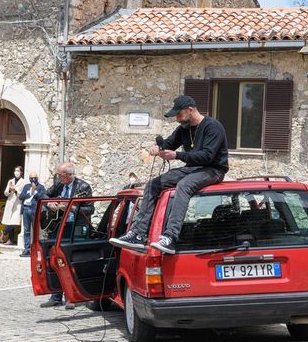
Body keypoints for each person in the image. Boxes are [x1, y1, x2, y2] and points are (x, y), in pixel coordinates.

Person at [111, 94, 229, 255]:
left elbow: (207, 156)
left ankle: (170, 237)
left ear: (190, 110)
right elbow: (168, 143)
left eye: (179, 115)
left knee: (184, 185)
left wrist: (177, 155)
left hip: (214, 170)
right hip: (193, 169)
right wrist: (157, 148)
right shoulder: (184, 129)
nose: (177, 119)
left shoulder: (213, 127)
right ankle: (138, 234)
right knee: (154, 184)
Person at [41, 163, 92, 307]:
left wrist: (71, 207)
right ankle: (56, 297)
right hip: (57, 226)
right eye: (58, 175)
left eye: (60, 175)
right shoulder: (59, 184)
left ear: (69, 175)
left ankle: (72, 297)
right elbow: (43, 195)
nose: (58, 177)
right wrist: (50, 203)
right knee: (54, 260)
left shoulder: (83, 187)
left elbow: (90, 209)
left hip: (73, 227)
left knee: (69, 262)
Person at [18, 173, 46, 257]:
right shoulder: (26, 186)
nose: (33, 179)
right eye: (31, 178)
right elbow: (21, 196)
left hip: (35, 210)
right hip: (26, 209)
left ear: (37, 178)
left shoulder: (41, 187)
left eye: (34, 178)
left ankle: (35, 249)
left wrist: (34, 192)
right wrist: (30, 193)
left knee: (35, 230)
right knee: (26, 230)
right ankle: (27, 249)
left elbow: (42, 197)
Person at [1, 165, 25, 246]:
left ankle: (4, 231)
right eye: (15, 170)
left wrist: (15, 191)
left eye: (18, 171)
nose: (16, 172)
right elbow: (5, 193)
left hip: (18, 204)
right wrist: (9, 190)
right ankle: (10, 240)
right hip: (10, 202)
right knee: (10, 221)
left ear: (21, 172)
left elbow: (22, 194)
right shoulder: (10, 181)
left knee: (14, 221)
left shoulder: (23, 182)